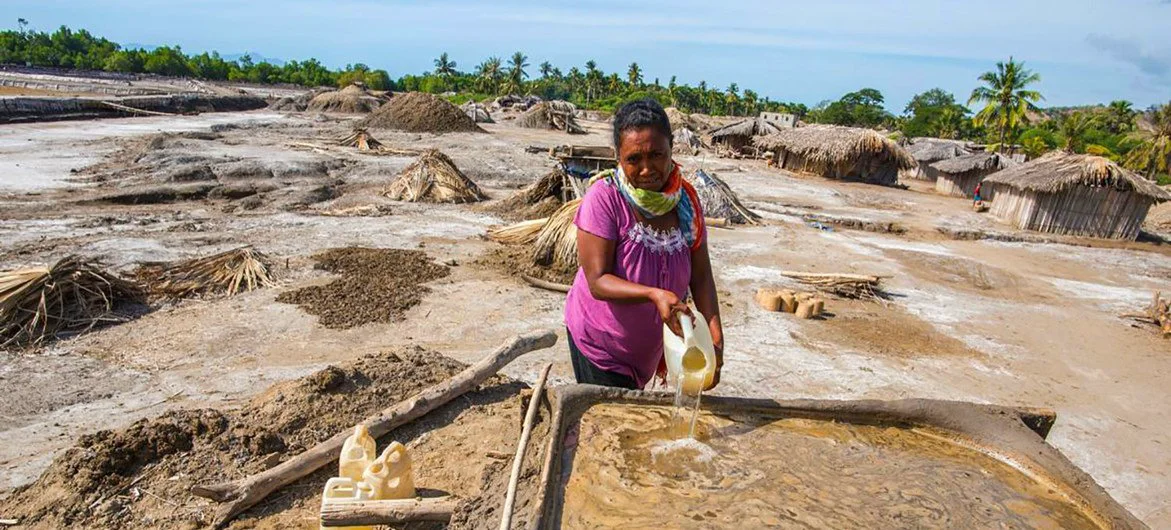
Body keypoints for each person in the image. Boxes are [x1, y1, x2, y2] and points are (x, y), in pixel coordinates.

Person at [564, 98, 724, 390]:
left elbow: (701, 277)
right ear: (619, 157)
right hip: (602, 345)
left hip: (649, 351)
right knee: (610, 426)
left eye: (656, 155)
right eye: (634, 159)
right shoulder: (605, 198)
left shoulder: (686, 202)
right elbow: (597, 281)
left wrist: (716, 342)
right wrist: (654, 294)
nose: (647, 169)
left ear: (671, 150)